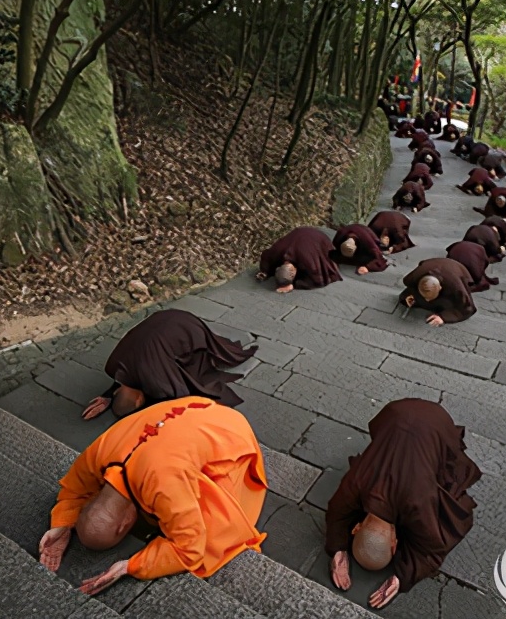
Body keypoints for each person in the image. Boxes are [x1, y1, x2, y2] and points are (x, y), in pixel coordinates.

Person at [40, 397, 268, 595]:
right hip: (194, 407)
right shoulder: (99, 454)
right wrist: (63, 523)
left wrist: (131, 566)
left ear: (125, 525)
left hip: (231, 429)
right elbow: (75, 487)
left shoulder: (164, 487)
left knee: (214, 529)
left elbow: (190, 549)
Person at [325, 399, 481, 609]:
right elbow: (336, 512)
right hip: (396, 413)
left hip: (436, 424)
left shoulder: (418, 502)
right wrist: (338, 550)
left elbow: (433, 549)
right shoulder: (357, 482)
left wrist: (401, 578)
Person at [80, 310, 256, 421]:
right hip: (165, 317)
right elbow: (124, 379)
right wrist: (107, 396)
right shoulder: (112, 367)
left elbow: (178, 396)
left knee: (195, 367)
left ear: (140, 400)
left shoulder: (155, 382)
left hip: (187, 328)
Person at [257, 227, 343, 292]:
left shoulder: (310, 263)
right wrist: (265, 271)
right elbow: (267, 257)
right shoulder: (277, 251)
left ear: (294, 273)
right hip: (301, 235)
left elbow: (318, 280)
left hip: (319, 239)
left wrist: (294, 285)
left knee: (327, 259)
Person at [398, 259, 477, 325]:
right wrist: (410, 296)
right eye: (425, 297)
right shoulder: (416, 275)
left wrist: (443, 317)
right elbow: (410, 285)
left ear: (440, 288)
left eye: (430, 297)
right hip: (432, 264)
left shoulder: (455, 286)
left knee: (446, 304)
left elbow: (467, 308)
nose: (427, 300)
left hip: (457, 270)